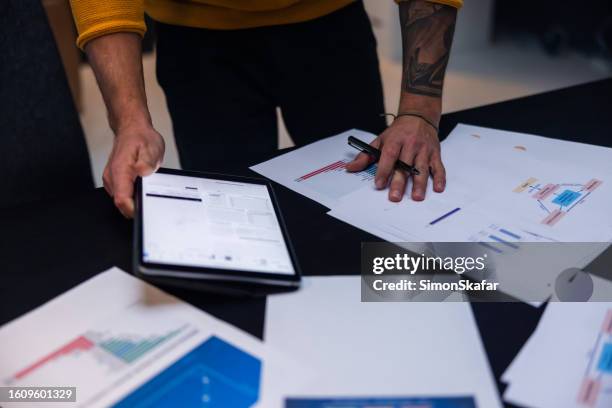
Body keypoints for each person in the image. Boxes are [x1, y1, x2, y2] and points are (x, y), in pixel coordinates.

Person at [69, 0, 461, 218]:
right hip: (195, 37)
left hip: (331, 25)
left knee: (371, 201)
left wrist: (419, 109)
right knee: (231, 214)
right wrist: (130, 121)